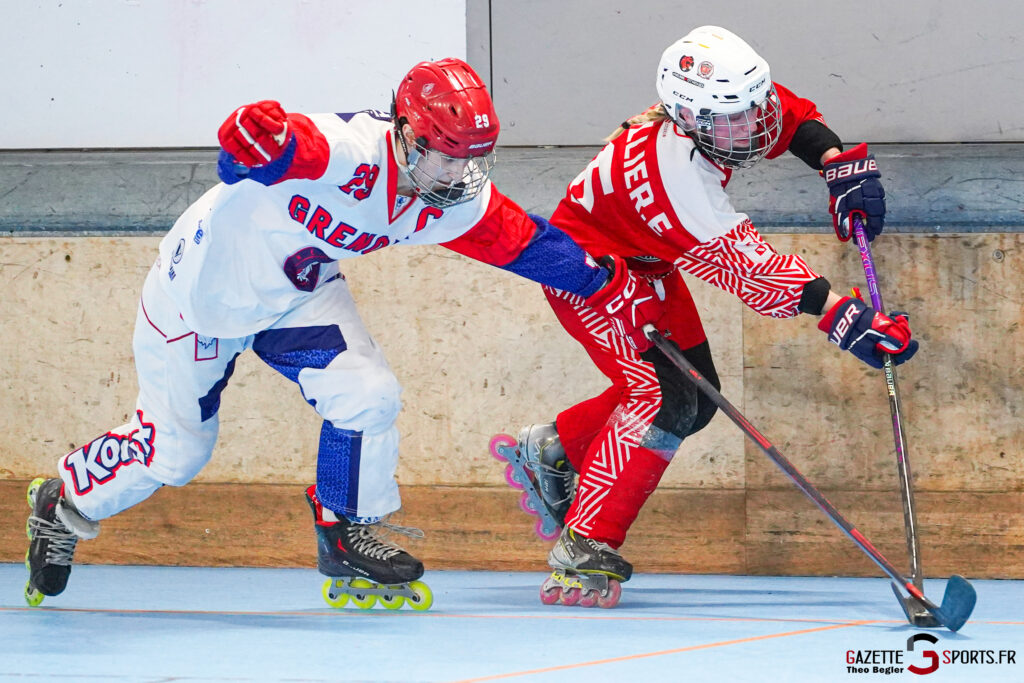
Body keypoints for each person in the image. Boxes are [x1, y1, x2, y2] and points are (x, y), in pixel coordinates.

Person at [22, 57, 663, 609]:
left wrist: (609, 285)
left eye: (470, 160)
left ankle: (346, 529)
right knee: (177, 454)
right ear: (408, 131)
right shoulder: (347, 151)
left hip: (298, 298)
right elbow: (275, 148)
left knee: (370, 395)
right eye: (444, 154)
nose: (456, 176)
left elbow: (522, 243)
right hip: (199, 299)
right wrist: (251, 138)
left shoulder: (451, 195)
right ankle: (64, 499)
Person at [499, 26, 917, 608]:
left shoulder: (724, 110)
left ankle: (554, 447)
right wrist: (844, 315)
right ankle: (585, 543)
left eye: (753, 105)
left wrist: (836, 162)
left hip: (645, 259)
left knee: (698, 402)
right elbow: (750, 271)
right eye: (734, 118)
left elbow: (786, 116)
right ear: (688, 118)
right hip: (588, 275)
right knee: (663, 399)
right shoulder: (674, 179)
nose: (753, 124)